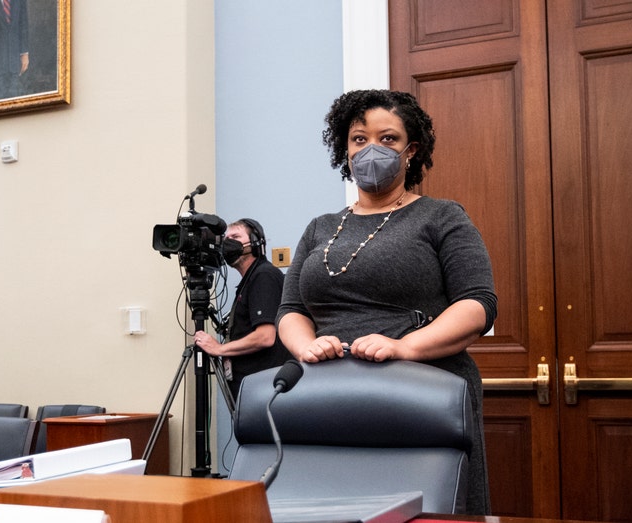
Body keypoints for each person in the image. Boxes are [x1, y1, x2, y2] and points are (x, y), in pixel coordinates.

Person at [276, 89, 497, 515]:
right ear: (345, 148)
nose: (371, 149)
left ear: (411, 150)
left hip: (422, 398)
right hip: (329, 398)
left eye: (388, 139)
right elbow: (292, 310)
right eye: (359, 139)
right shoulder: (320, 227)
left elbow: (478, 305)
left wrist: (404, 346)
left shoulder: (442, 216)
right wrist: (305, 347)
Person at [194, 219, 292, 402]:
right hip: (254, 390)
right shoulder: (250, 280)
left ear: (255, 242)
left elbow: (265, 336)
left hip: (264, 391)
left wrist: (220, 349)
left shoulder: (264, 276)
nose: (228, 243)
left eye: (236, 237)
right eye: (226, 239)